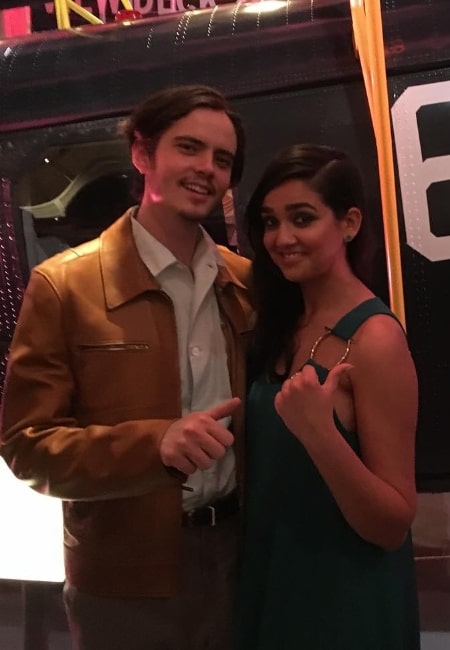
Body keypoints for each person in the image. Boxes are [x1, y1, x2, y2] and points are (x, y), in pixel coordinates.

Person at [0, 84, 252, 650]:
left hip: (239, 559)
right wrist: (154, 445)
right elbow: (26, 446)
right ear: (143, 154)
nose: (206, 169)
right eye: (188, 148)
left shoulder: (245, 283)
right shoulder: (64, 286)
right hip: (122, 577)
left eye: (222, 159)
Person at [236, 143, 420, 649]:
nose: (282, 238)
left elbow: (392, 522)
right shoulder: (279, 322)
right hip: (274, 576)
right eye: (270, 222)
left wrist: (321, 434)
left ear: (349, 222)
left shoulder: (375, 339)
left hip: (342, 597)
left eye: (302, 218)